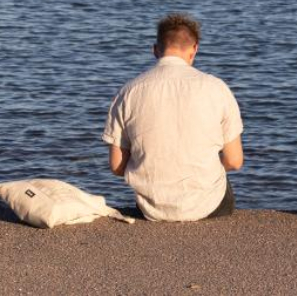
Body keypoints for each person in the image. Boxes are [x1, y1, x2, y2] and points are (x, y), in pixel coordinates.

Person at [103, 13, 244, 222]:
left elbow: (117, 166)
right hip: (208, 204)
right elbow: (234, 161)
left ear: (155, 50)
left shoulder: (128, 91)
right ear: (194, 49)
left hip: (150, 207)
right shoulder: (216, 88)